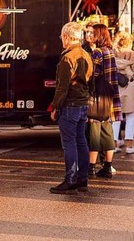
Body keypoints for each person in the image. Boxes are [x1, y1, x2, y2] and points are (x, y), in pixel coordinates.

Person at [49, 22, 94, 194]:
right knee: (81, 140)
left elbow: (62, 86)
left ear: (67, 37)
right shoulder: (85, 54)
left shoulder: (68, 57)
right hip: (82, 103)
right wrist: (87, 97)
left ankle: (70, 179)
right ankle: (82, 178)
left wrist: (55, 107)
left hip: (70, 105)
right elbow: (92, 81)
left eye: (62, 37)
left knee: (69, 143)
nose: (62, 40)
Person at [88, 24, 122, 179]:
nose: (90, 35)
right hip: (110, 97)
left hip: (97, 97)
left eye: (92, 33)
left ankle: (91, 167)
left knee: (94, 132)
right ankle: (107, 166)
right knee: (108, 132)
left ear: (98, 35)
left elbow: (92, 76)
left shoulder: (97, 52)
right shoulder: (110, 51)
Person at [113, 32, 134, 154]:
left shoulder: (112, 54)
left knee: (115, 118)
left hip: (116, 87)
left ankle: (114, 144)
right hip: (130, 86)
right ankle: (129, 145)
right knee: (131, 117)